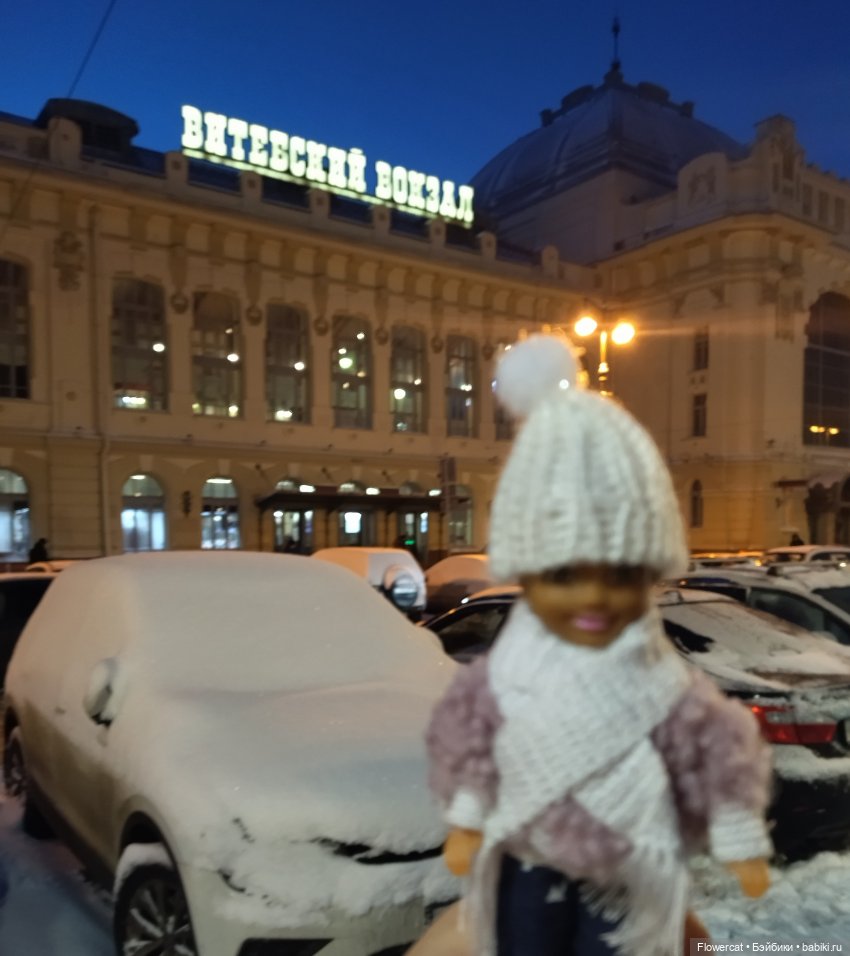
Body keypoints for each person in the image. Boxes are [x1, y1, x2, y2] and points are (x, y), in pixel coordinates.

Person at [418, 335, 772, 956]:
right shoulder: (506, 676)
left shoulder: (664, 681)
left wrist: (739, 833)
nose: (595, 600)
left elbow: (719, 748)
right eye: (563, 575)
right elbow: (470, 737)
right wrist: (469, 816)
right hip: (528, 856)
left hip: (631, 866)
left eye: (622, 575)